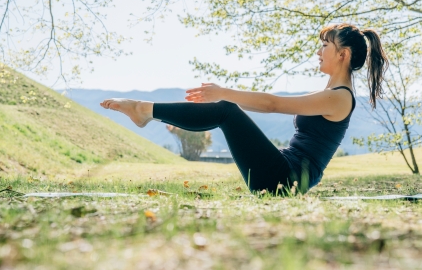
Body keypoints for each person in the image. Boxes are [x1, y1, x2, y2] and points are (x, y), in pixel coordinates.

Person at [100, 23, 388, 194]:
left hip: (285, 179)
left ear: (343, 54)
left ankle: (143, 110)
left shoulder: (339, 97)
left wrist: (223, 92)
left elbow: (273, 104)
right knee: (226, 111)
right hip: (283, 171)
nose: (318, 51)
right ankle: (143, 110)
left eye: (324, 45)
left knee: (225, 110)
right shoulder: (330, 94)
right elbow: (270, 105)